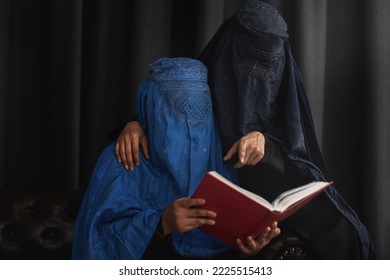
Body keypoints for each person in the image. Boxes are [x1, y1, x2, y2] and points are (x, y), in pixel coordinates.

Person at [115, 0, 376, 259]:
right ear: (228, 47)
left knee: (344, 230)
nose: (253, 72)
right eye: (246, 59)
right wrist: (134, 122)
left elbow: (297, 151)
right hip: (201, 200)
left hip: (272, 191)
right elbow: (170, 110)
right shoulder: (201, 79)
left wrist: (265, 141)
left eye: (264, 66)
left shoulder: (285, 89)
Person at [72, 57, 280, 260]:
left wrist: (249, 249)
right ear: (152, 109)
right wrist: (162, 224)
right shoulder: (122, 158)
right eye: (176, 113)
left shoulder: (219, 160)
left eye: (201, 112)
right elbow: (94, 245)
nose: (190, 128)